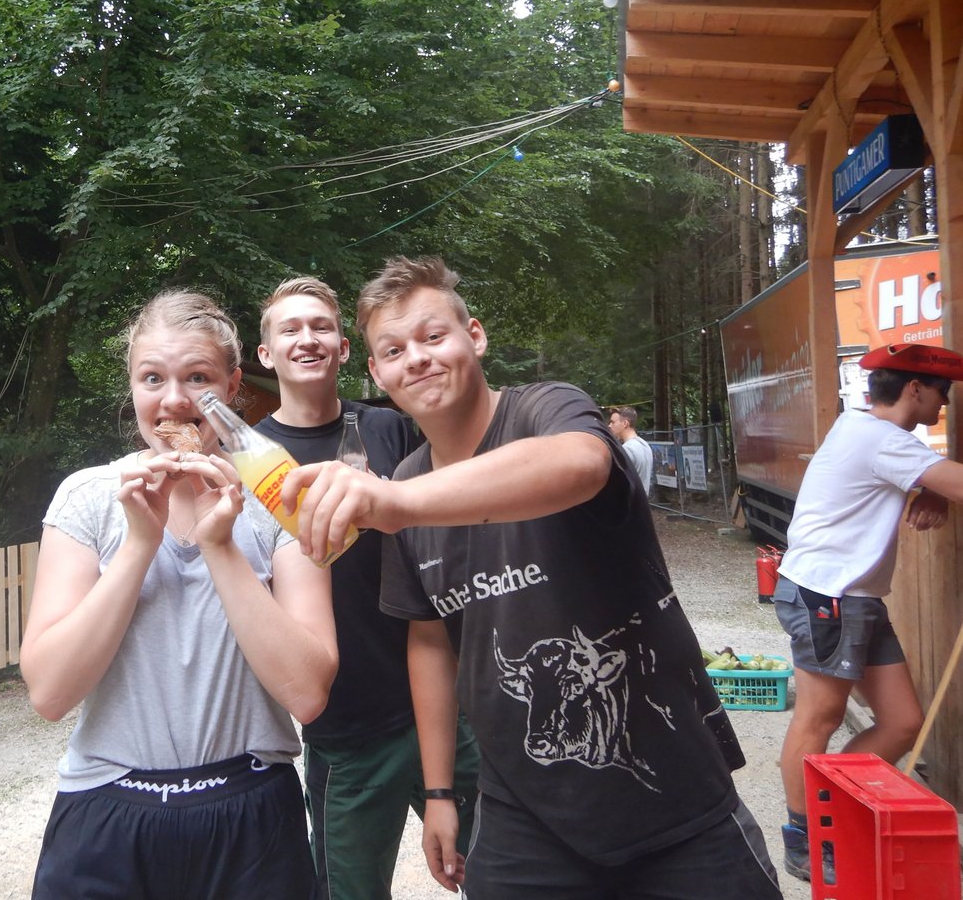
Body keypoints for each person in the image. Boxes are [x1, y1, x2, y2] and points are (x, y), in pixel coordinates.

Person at [282, 256, 781, 899]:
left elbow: (581, 464)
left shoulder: (547, 408)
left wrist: (398, 505)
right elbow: (430, 642)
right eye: (395, 350)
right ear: (377, 372)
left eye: (434, 336)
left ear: (475, 336)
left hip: (671, 785)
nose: (418, 359)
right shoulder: (405, 479)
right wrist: (439, 792)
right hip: (521, 810)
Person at [19, 289, 338, 900]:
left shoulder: (280, 498)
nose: (173, 401)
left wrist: (221, 548)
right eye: (152, 378)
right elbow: (51, 693)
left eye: (197, 378)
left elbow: (307, 694)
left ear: (233, 385)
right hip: (107, 808)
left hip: (251, 808)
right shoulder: (90, 497)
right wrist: (140, 543)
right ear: (132, 388)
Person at [253, 276, 481, 900]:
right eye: (290, 329)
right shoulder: (250, 458)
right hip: (346, 728)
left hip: (442, 700)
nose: (308, 339)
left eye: (321, 327)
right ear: (266, 353)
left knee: (503, 871)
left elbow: (450, 520)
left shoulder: (391, 427)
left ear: (345, 348)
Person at [773, 342, 963, 882]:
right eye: (941, 391)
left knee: (902, 722)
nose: (944, 402)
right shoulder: (881, 438)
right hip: (829, 596)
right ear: (914, 388)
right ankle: (805, 839)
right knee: (818, 718)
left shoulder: (865, 431)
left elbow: (935, 483)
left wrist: (931, 489)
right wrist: (942, 488)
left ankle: (834, 809)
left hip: (852, 597)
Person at [608, 405, 654, 494]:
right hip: (643, 500)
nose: (609, 426)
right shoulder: (645, 445)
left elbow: (618, 483)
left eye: (613, 422)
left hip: (629, 501)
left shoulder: (627, 449)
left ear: (625, 423)